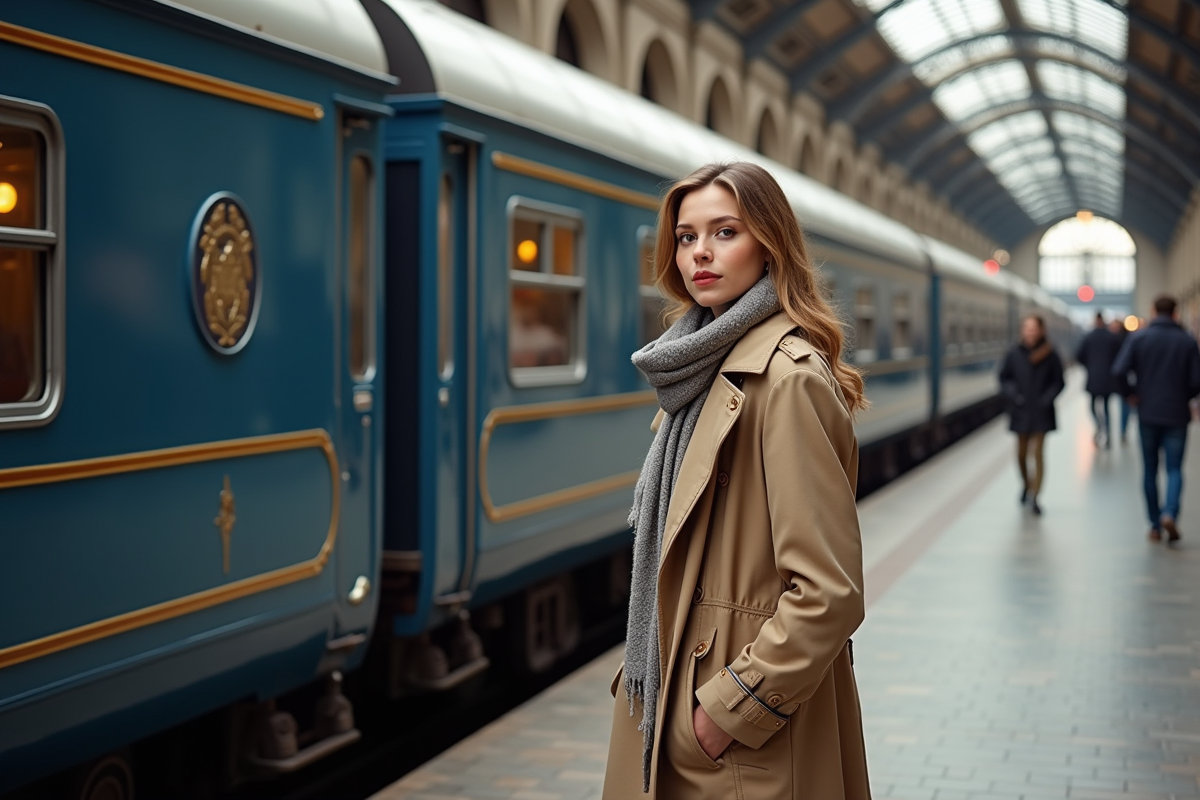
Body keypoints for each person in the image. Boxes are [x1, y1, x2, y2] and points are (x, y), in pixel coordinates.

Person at [603, 163, 870, 799]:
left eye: (725, 232)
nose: (700, 252)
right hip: (682, 695)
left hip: (738, 736)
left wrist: (726, 713)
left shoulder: (786, 380)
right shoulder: (698, 370)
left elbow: (829, 591)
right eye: (687, 236)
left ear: (770, 243)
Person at [1111, 294, 1200, 543]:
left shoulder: (1139, 338)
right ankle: (1169, 512)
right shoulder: (1187, 341)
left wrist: (1131, 395)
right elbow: (1196, 381)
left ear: (1152, 311)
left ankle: (1153, 524)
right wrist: (1185, 396)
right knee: (1174, 468)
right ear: (1175, 314)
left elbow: (1118, 371)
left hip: (1148, 412)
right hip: (1177, 413)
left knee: (1150, 469)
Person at [999, 315, 1065, 516]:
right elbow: (1004, 378)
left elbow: (1059, 381)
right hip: (1020, 411)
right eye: (1027, 328)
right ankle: (1027, 484)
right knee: (1020, 454)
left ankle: (1036, 495)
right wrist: (1014, 395)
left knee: (1037, 454)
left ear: (1041, 331)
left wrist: (1047, 399)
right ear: (1022, 330)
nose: (1030, 332)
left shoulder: (1051, 354)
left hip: (1042, 413)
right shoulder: (1013, 353)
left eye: (1034, 328)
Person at [1075, 312, 1122, 447]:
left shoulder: (1088, 337)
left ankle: (1099, 426)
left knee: (1092, 406)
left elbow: (1079, 356)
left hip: (1094, 377)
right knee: (1107, 408)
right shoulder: (1113, 338)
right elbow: (1120, 357)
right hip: (1108, 378)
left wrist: (1089, 366)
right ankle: (1108, 434)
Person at [1108, 318, 1133, 441]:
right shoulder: (1128, 338)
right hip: (1119, 376)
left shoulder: (1124, 339)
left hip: (1120, 375)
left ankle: (1122, 429)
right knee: (1123, 404)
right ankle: (1121, 430)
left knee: (1124, 404)